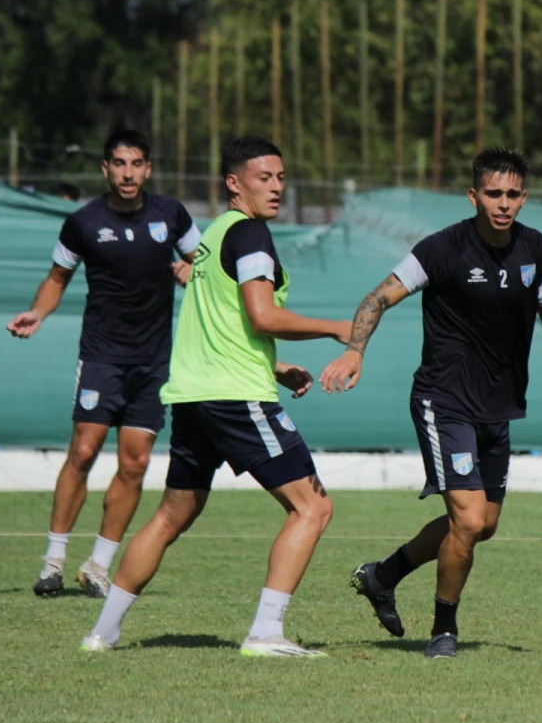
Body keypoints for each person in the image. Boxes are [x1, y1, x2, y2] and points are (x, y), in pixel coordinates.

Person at [81, 136, 351, 657]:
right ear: (234, 183)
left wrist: (274, 366)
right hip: (233, 397)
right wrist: (333, 328)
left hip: (193, 397)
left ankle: (102, 632)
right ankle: (265, 632)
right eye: (263, 178)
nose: (276, 187)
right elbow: (262, 315)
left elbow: (221, 327)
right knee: (312, 509)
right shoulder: (249, 233)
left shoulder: (213, 237)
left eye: (280, 177)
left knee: (170, 515)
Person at [319, 147, 542, 659]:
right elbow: (377, 297)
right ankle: (443, 630)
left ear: (523, 197)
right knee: (466, 520)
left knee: (482, 523)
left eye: (512, 194)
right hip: (444, 401)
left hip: (499, 406)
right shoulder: (442, 249)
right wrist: (354, 351)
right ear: (473, 195)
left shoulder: (535, 248)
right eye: (493, 193)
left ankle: (382, 576)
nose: (503, 204)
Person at [8, 130, 199, 599]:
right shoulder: (83, 222)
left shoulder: (171, 215)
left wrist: (192, 270)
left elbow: (205, 264)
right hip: (101, 357)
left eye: (136, 164)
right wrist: (38, 311)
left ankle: (97, 566)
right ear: (105, 168)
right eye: (118, 163)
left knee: (134, 464)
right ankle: (53, 561)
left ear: (148, 169)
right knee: (84, 452)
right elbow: (57, 278)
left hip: (154, 362)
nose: (127, 173)